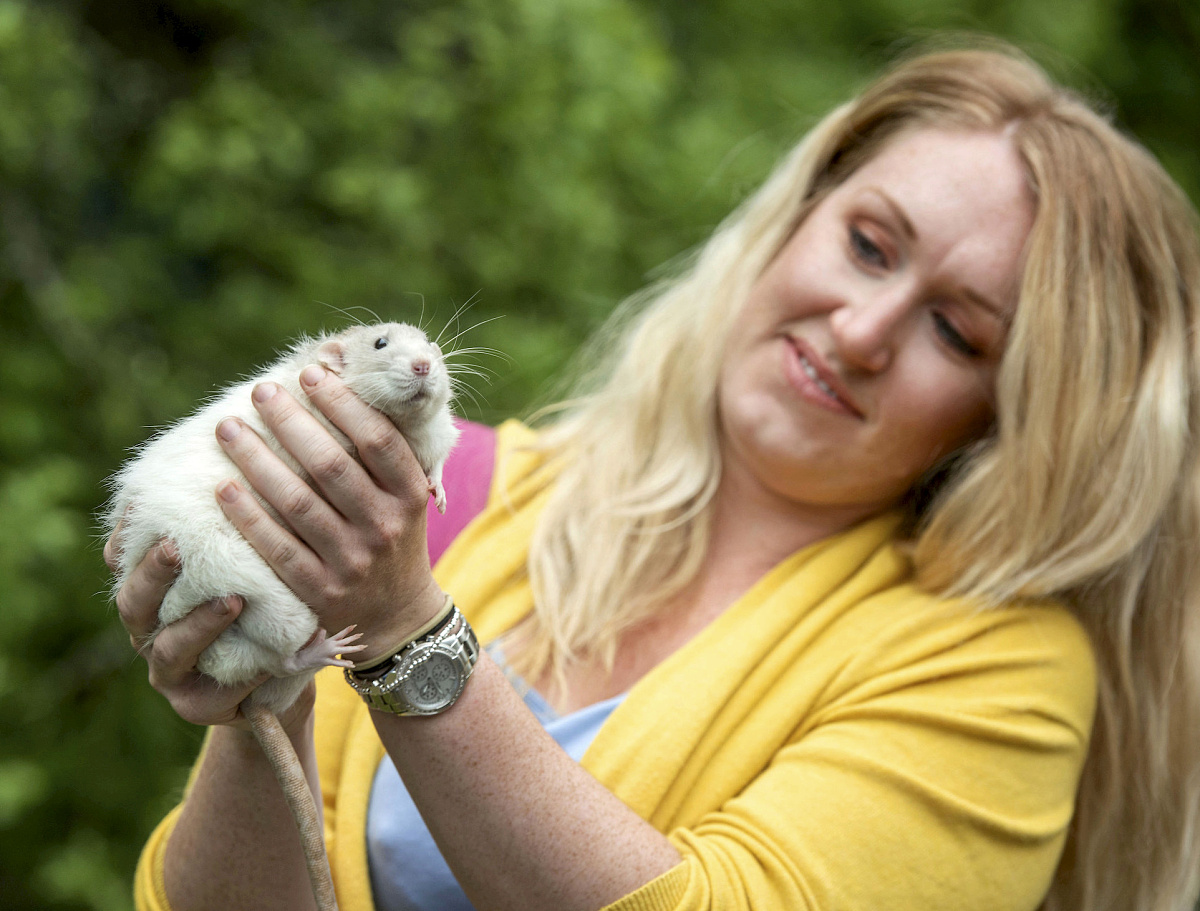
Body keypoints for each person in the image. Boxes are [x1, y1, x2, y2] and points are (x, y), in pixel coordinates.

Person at [109, 39, 1200, 911]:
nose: (862, 329)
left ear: (1016, 417)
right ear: (796, 218)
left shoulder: (996, 671)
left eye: (957, 332)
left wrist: (405, 634)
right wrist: (271, 701)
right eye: (869, 244)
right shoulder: (464, 491)